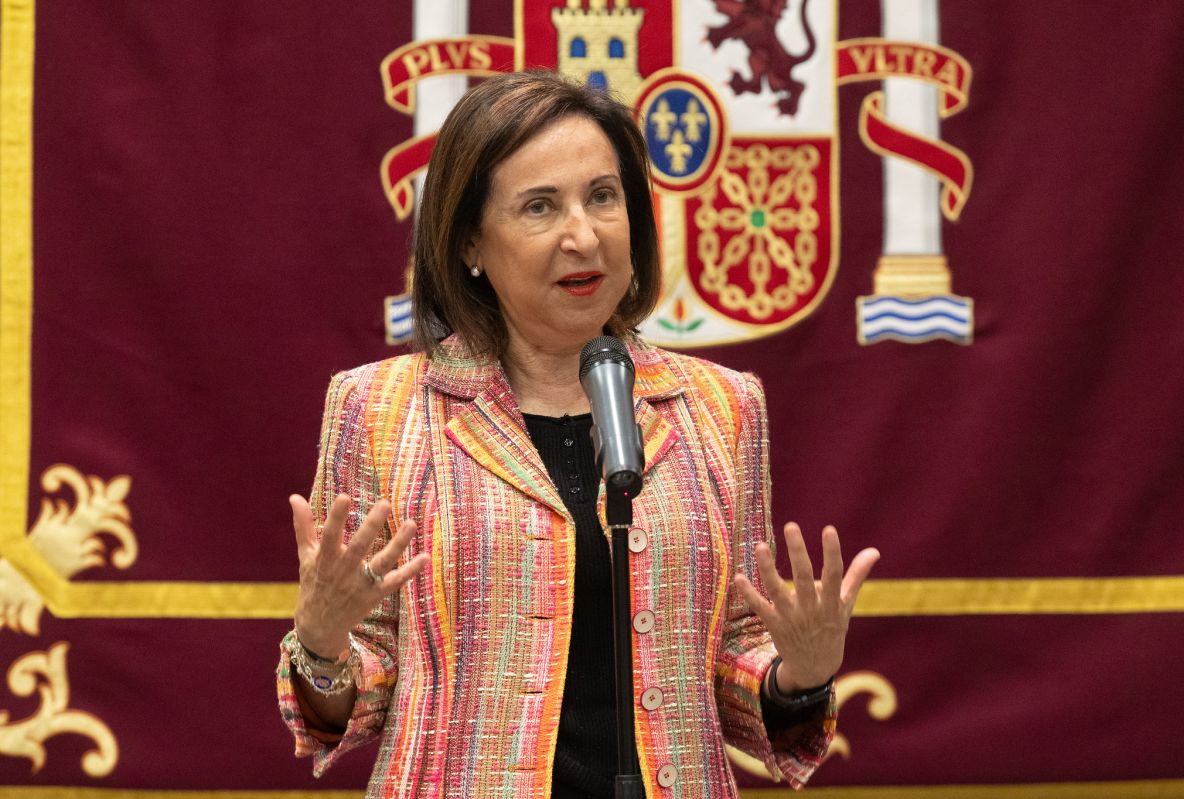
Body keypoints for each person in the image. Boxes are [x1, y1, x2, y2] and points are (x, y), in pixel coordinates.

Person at [277, 70, 879, 798]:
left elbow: (734, 663)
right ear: (469, 243)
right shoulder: (380, 409)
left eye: (602, 197)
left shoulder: (721, 406)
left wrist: (799, 675)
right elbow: (357, 688)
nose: (584, 235)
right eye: (540, 206)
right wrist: (323, 643)